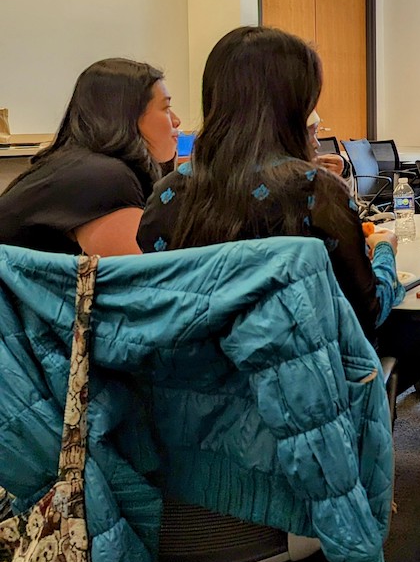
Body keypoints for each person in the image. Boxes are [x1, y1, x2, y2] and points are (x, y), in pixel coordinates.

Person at [137, 27, 397, 343]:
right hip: (301, 386)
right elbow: (365, 314)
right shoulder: (315, 193)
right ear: (296, 107)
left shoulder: (166, 196)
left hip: (190, 385)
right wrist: (385, 252)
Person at [0, 58, 179, 256]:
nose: (176, 121)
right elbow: (138, 278)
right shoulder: (105, 178)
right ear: (127, 116)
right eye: (166, 108)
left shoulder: (80, 166)